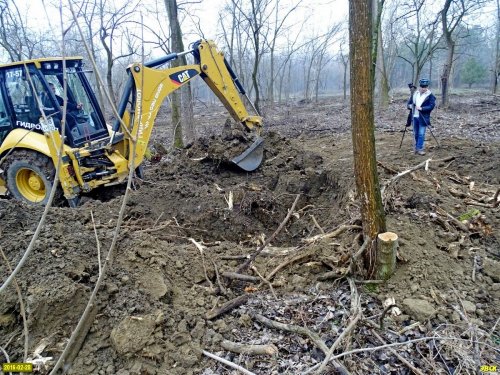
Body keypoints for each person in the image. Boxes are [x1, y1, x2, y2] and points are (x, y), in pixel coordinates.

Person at [407, 78, 436, 155]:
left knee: (421, 133)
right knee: (415, 133)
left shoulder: (430, 95)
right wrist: (410, 106)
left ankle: (420, 148)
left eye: (425, 86)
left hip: (423, 117)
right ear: (420, 86)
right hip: (414, 116)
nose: (424, 88)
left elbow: (431, 106)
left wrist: (422, 108)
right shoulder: (415, 93)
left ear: (427, 87)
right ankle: (416, 147)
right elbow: (409, 103)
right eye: (422, 86)